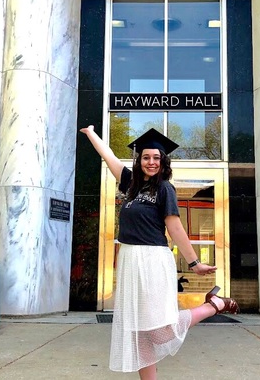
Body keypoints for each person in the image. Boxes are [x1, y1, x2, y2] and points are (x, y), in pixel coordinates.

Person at [80, 125, 239, 379]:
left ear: (163, 161)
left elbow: (175, 228)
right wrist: (91, 134)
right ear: (139, 160)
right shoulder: (131, 184)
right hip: (130, 261)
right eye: (146, 157)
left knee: (160, 332)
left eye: (156, 157)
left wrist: (194, 263)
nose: (151, 162)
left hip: (152, 261)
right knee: (137, 331)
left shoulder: (165, 189)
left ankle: (214, 305)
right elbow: (109, 156)